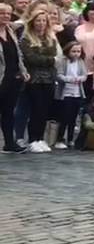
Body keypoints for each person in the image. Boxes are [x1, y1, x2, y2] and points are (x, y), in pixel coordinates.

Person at [19, 8, 58, 153]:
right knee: (36, 108)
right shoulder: (26, 38)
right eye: (38, 20)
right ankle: (32, 139)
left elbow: (55, 56)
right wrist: (49, 59)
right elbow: (32, 59)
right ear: (32, 22)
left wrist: (47, 59)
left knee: (44, 110)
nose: (41, 23)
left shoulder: (50, 38)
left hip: (49, 79)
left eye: (43, 21)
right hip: (34, 79)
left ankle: (40, 138)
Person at [54, 41, 87, 150]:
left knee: (73, 117)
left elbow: (84, 75)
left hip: (77, 93)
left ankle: (70, 138)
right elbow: (59, 75)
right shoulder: (63, 61)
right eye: (74, 51)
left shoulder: (81, 62)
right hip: (65, 93)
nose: (76, 54)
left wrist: (80, 79)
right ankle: (60, 138)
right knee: (64, 117)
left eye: (78, 51)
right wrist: (69, 80)